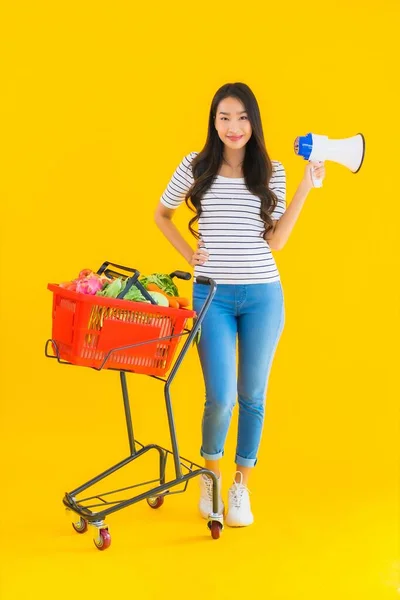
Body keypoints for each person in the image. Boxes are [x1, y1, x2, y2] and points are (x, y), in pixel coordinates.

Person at [154, 82, 325, 527]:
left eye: (242, 117)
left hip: (263, 295)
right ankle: (209, 478)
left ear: (254, 121)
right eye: (225, 117)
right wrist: (186, 254)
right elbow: (162, 215)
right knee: (221, 397)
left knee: (252, 396)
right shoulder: (195, 166)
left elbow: (277, 240)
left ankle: (240, 488)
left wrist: (306, 187)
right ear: (214, 121)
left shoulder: (273, 170)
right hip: (211, 294)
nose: (234, 126)